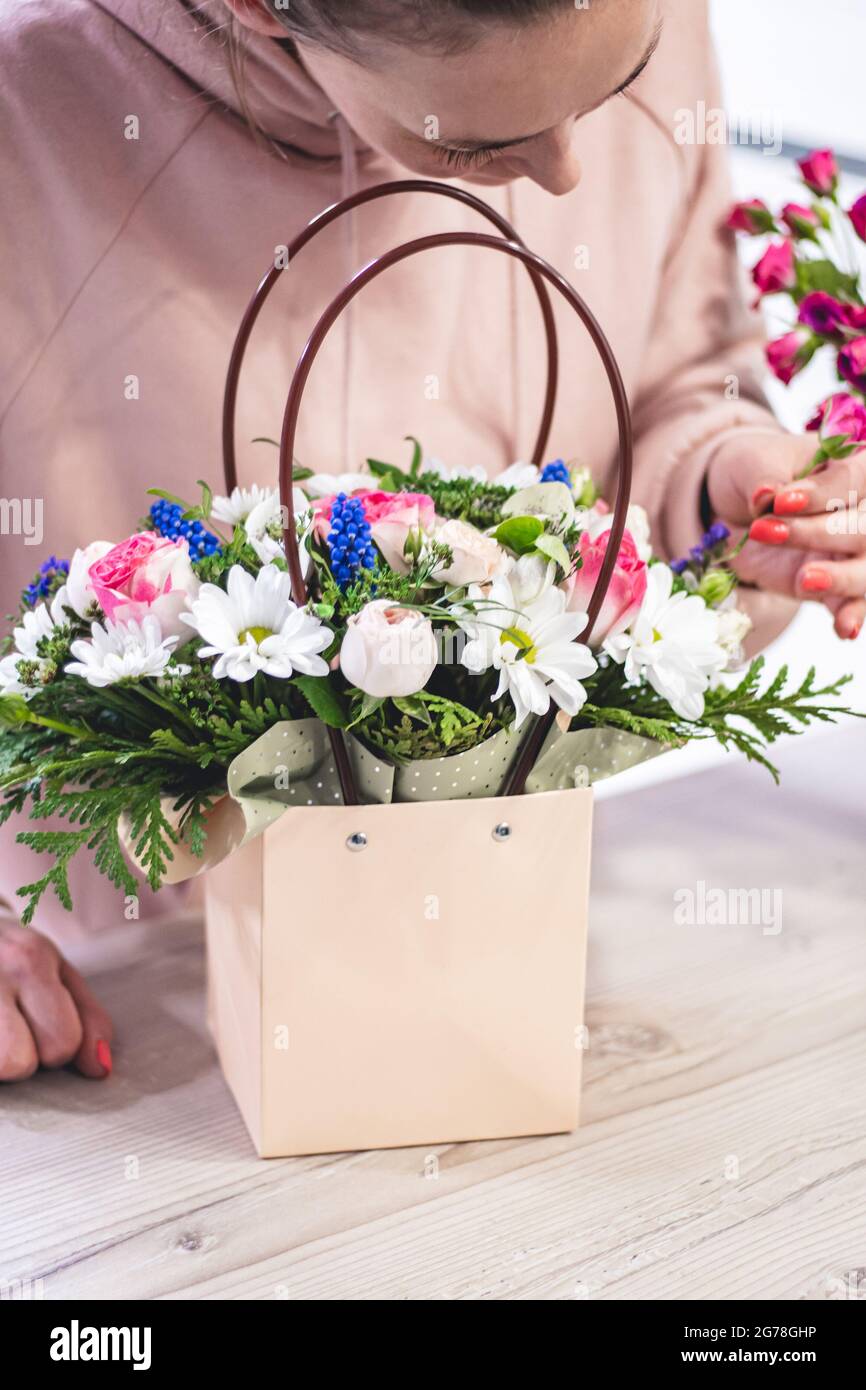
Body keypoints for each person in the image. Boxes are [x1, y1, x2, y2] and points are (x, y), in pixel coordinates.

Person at [1, 0, 863, 1082]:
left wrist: (723, 484)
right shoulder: (26, 104)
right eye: (473, 143)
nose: (564, 174)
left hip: (499, 975)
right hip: (122, 1041)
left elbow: (677, 382)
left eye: (614, 83)